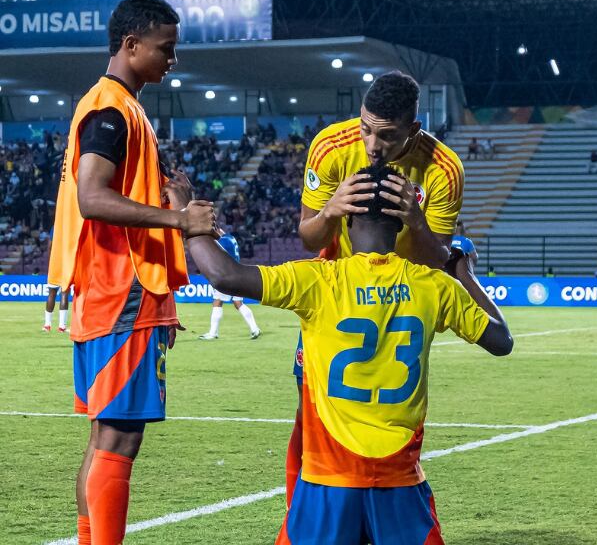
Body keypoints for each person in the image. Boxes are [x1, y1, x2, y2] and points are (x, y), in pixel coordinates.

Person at [175, 164, 512, 545]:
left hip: (328, 481)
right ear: (402, 223)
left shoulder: (319, 280)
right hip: (400, 483)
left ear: (346, 219)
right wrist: (464, 272)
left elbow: (224, 275)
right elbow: (501, 341)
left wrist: (188, 218)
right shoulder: (433, 286)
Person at [47, 0, 216, 545]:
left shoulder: (115, 105)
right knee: (118, 441)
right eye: (166, 48)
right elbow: (93, 197)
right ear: (131, 44)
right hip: (124, 293)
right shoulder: (112, 110)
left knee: (104, 439)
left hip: (108, 292)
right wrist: (178, 218)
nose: (173, 59)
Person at [289, 70, 465, 505]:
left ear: (413, 129)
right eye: (366, 128)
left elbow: (437, 259)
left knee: (391, 420)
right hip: (337, 296)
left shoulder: (443, 169)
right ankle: (300, 514)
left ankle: (376, 514)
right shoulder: (331, 146)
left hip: (399, 304)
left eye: (386, 135)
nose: (371, 144)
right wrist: (330, 211)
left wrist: (416, 222)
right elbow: (308, 237)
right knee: (310, 415)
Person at [198, 229, 261, 340]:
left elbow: (215, 257)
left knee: (217, 302)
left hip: (227, 275)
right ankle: (255, 328)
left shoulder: (221, 242)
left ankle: (213, 333)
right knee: (238, 303)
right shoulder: (231, 238)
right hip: (238, 272)